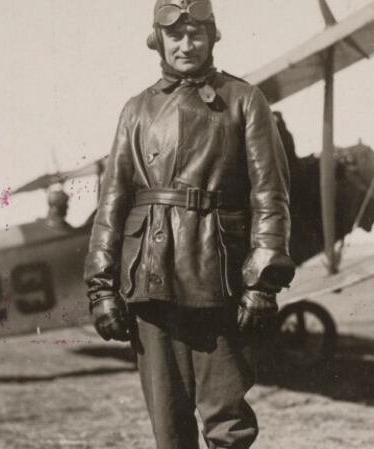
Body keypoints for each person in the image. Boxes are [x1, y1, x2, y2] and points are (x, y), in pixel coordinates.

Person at [83, 1, 295, 448]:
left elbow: (270, 196)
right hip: (148, 280)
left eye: (197, 33)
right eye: (175, 35)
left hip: (215, 279)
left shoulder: (245, 100)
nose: (186, 44)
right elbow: (112, 203)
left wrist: (262, 282)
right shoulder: (135, 110)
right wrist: (101, 287)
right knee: (170, 429)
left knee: (228, 424)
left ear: (213, 37)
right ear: (157, 40)